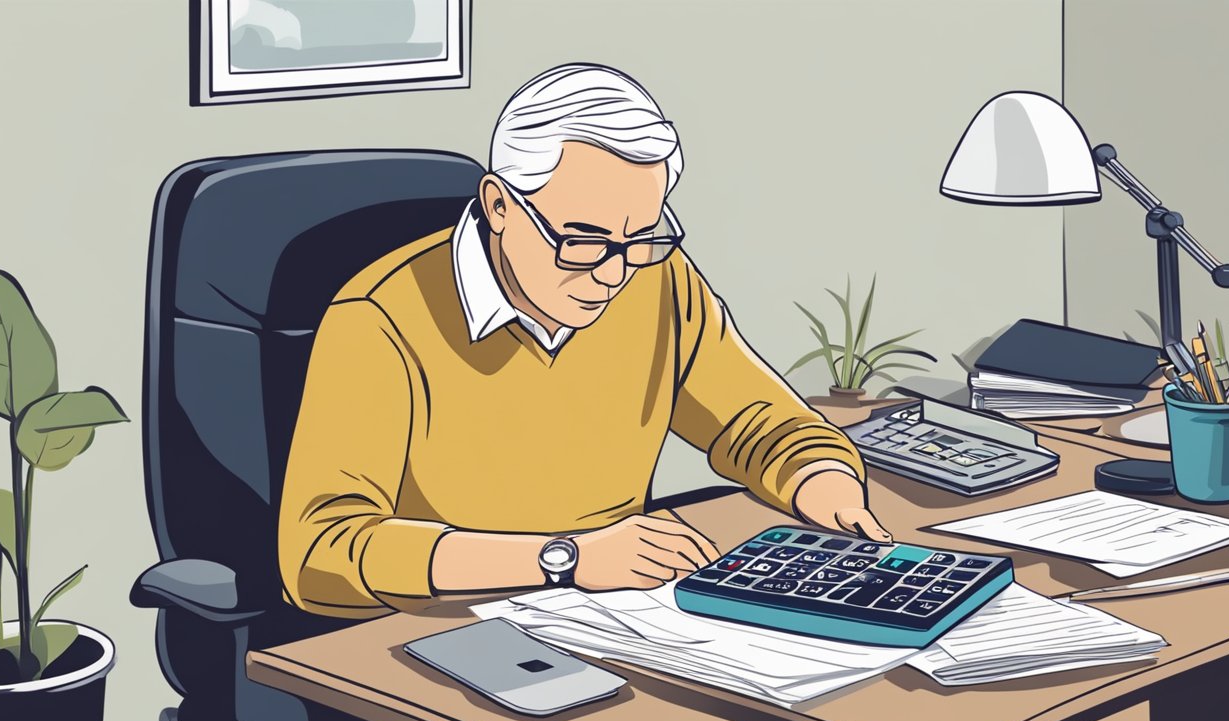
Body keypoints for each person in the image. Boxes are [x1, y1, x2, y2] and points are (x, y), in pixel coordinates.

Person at [279, 63, 894, 618]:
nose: (611, 274)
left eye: (641, 238)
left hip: (615, 612)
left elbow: (757, 419)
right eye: (582, 241)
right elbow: (321, 552)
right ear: (498, 206)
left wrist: (822, 480)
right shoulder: (379, 319)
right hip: (427, 636)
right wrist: (563, 560)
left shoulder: (655, 279)